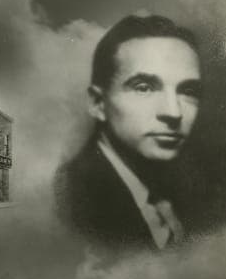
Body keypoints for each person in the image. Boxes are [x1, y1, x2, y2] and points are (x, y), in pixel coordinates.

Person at [54, 14, 203, 254]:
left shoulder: (182, 196)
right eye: (144, 87)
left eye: (188, 91)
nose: (173, 112)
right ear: (98, 103)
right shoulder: (70, 203)